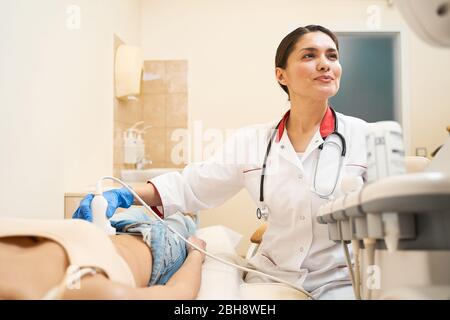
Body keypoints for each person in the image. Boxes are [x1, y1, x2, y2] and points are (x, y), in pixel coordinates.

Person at [73, 25, 368, 299]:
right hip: (273, 279)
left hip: (340, 282)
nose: (325, 63)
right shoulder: (252, 142)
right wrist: (121, 193)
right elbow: (191, 186)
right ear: (281, 75)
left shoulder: (364, 137)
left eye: (332, 55)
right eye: (309, 55)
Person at [0, 211, 206, 300]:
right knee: (183, 219)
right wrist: (196, 252)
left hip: (112, 226)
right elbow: (181, 291)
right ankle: (187, 218)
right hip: (161, 245)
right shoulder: (80, 292)